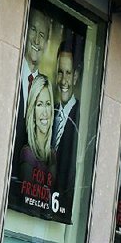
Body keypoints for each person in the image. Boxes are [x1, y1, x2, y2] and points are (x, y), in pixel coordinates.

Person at [13, 7, 51, 171]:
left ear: (47, 43)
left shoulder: (46, 90)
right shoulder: (10, 71)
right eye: (33, 30)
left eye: (42, 35)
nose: (36, 40)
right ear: (25, 29)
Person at [52, 37, 80, 217]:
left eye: (68, 73)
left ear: (75, 77)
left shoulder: (80, 118)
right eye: (60, 72)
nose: (63, 80)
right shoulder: (48, 110)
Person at [18, 74, 55, 185]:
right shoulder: (27, 154)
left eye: (48, 104)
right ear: (32, 112)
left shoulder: (52, 155)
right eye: (39, 105)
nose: (45, 112)